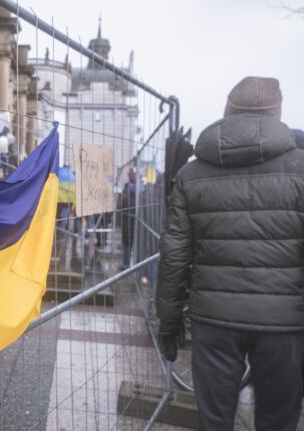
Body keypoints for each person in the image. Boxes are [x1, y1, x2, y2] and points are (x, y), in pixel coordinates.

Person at [157, 76, 304, 431]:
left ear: (227, 113)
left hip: (213, 320)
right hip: (285, 323)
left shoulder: (191, 174)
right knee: (278, 422)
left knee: (214, 421)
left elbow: (174, 255)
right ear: (276, 115)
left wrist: (169, 320)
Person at [120, 169, 137, 269]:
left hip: (128, 220)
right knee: (129, 244)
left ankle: (126, 265)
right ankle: (128, 265)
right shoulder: (140, 190)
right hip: (131, 221)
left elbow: (122, 205)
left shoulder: (127, 190)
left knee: (127, 244)